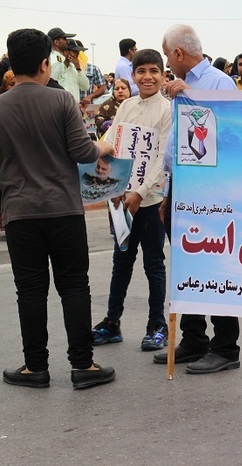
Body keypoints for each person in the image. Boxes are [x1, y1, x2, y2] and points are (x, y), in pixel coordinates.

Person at [0, 28, 116, 389]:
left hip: (20, 212)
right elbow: (83, 152)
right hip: (64, 209)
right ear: (44, 64)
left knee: (30, 291)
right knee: (74, 285)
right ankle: (83, 365)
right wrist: (105, 147)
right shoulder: (61, 100)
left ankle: (35, 367)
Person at [156, 24, 240, 374]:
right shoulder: (179, 86)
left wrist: (193, 95)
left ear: (178, 53)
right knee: (186, 266)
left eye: (167, 55)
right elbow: (178, 145)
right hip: (181, 187)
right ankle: (194, 339)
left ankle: (226, 347)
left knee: (213, 264)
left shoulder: (219, 82)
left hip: (210, 190)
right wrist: (167, 193)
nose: (167, 63)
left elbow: (232, 129)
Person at [91, 49, 171, 350]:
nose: (147, 77)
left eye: (153, 71)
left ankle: (157, 325)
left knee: (154, 264)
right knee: (121, 262)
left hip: (149, 202)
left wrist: (140, 193)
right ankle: (112, 322)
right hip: (121, 199)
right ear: (133, 75)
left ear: (162, 74)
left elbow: (162, 159)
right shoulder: (126, 105)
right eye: (141, 71)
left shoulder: (166, 110)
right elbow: (111, 142)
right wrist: (91, 155)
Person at [48, 27, 88, 102]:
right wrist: (65, 63)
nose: (67, 41)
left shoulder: (74, 66)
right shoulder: (54, 61)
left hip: (73, 106)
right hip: (59, 105)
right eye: (64, 39)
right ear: (56, 42)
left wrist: (78, 68)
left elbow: (85, 87)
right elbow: (50, 85)